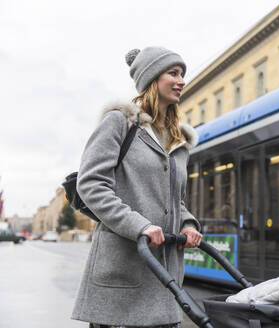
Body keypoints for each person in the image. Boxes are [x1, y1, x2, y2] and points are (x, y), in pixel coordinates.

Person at [71, 46, 202, 328]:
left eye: (183, 74)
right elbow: (91, 183)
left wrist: (188, 225)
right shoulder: (120, 123)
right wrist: (138, 225)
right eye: (173, 73)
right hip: (124, 273)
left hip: (165, 277)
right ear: (152, 78)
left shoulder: (178, 142)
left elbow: (175, 201)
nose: (181, 81)